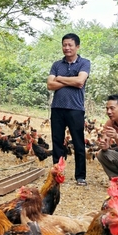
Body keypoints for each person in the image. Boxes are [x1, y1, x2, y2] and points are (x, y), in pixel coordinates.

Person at [47, 33, 90, 186]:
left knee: (78, 143)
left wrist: (59, 78)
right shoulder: (56, 64)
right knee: (57, 142)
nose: (67, 48)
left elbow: (80, 81)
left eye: (70, 45)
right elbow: (50, 85)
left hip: (75, 109)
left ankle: (80, 176)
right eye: (64, 45)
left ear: (77, 46)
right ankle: (57, 174)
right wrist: (69, 81)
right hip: (57, 108)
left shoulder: (84, 63)